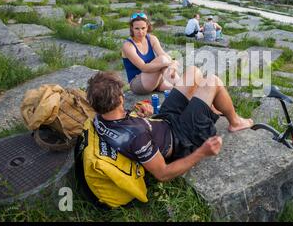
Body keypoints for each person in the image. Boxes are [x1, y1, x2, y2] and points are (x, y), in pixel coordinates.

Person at [85, 69, 254, 182]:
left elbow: (121, 120)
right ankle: (235, 122)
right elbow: (162, 173)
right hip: (182, 138)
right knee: (213, 81)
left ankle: (206, 105)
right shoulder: (137, 137)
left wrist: (140, 115)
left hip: (164, 121)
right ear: (120, 99)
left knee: (193, 72)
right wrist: (202, 152)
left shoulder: (100, 118)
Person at [122, 12, 180, 95]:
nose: (140, 32)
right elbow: (144, 68)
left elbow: (163, 54)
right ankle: (182, 86)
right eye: (137, 28)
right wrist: (167, 63)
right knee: (163, 60)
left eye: (143, 28)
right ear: (132, 28)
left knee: (179, 90)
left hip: (155, 79)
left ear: (147, 27)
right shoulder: (128, 45)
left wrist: (173, 63)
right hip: (138, 83)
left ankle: (184, 88)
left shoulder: (152, 39)